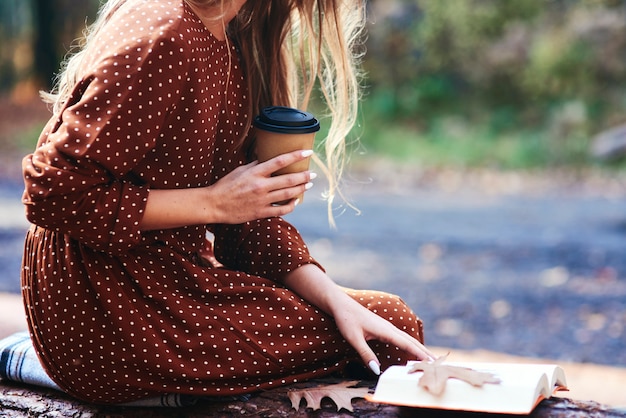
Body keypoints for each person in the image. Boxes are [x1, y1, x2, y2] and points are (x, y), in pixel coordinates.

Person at [21, 0, 436, 404]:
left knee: (381, 325)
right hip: (103, 306)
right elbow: (53, 193)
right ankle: (38, 360)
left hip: (167, 283)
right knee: (393, 325)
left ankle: (46, 361)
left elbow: (245, 226)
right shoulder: (165, 30)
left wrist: (335, 300)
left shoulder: (228, 40)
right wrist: (214, 204)